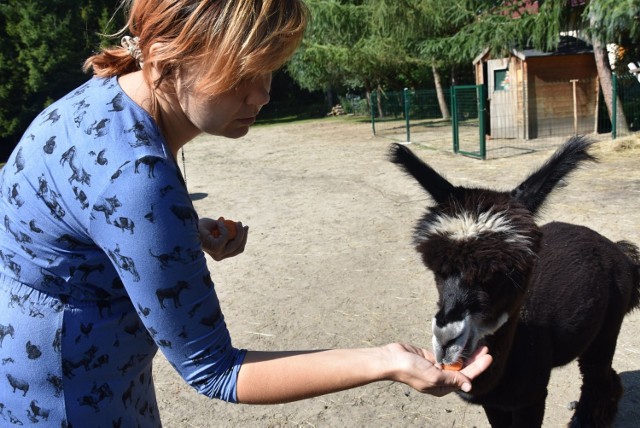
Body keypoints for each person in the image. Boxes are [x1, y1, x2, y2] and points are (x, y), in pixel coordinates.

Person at [0, 0, 492, 426]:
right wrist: (386, 361)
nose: (262, 94)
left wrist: (182, 231)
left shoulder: (104, 99)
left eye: (269, 69)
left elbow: (75, 219)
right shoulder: (135, 176)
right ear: (170, 53)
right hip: (71, 397)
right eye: (242, 75)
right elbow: (216, 371)